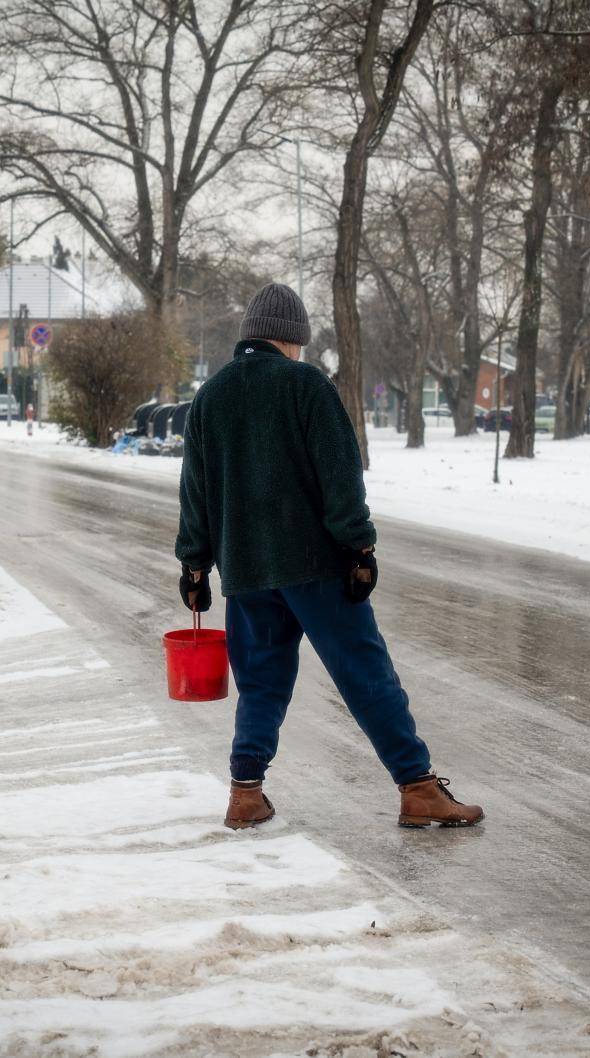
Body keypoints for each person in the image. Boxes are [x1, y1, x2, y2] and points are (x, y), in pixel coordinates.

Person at [174, 282, 484, 831]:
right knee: (365, 673)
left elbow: (195, 492)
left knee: (261, 684)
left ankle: (246, 793)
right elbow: (341, 477)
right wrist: (359, 547)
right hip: (315, 566)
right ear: (292, 339)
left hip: (245, 571)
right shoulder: (305, 385)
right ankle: (417, 787)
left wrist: (194, 565)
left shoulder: (210, 396)